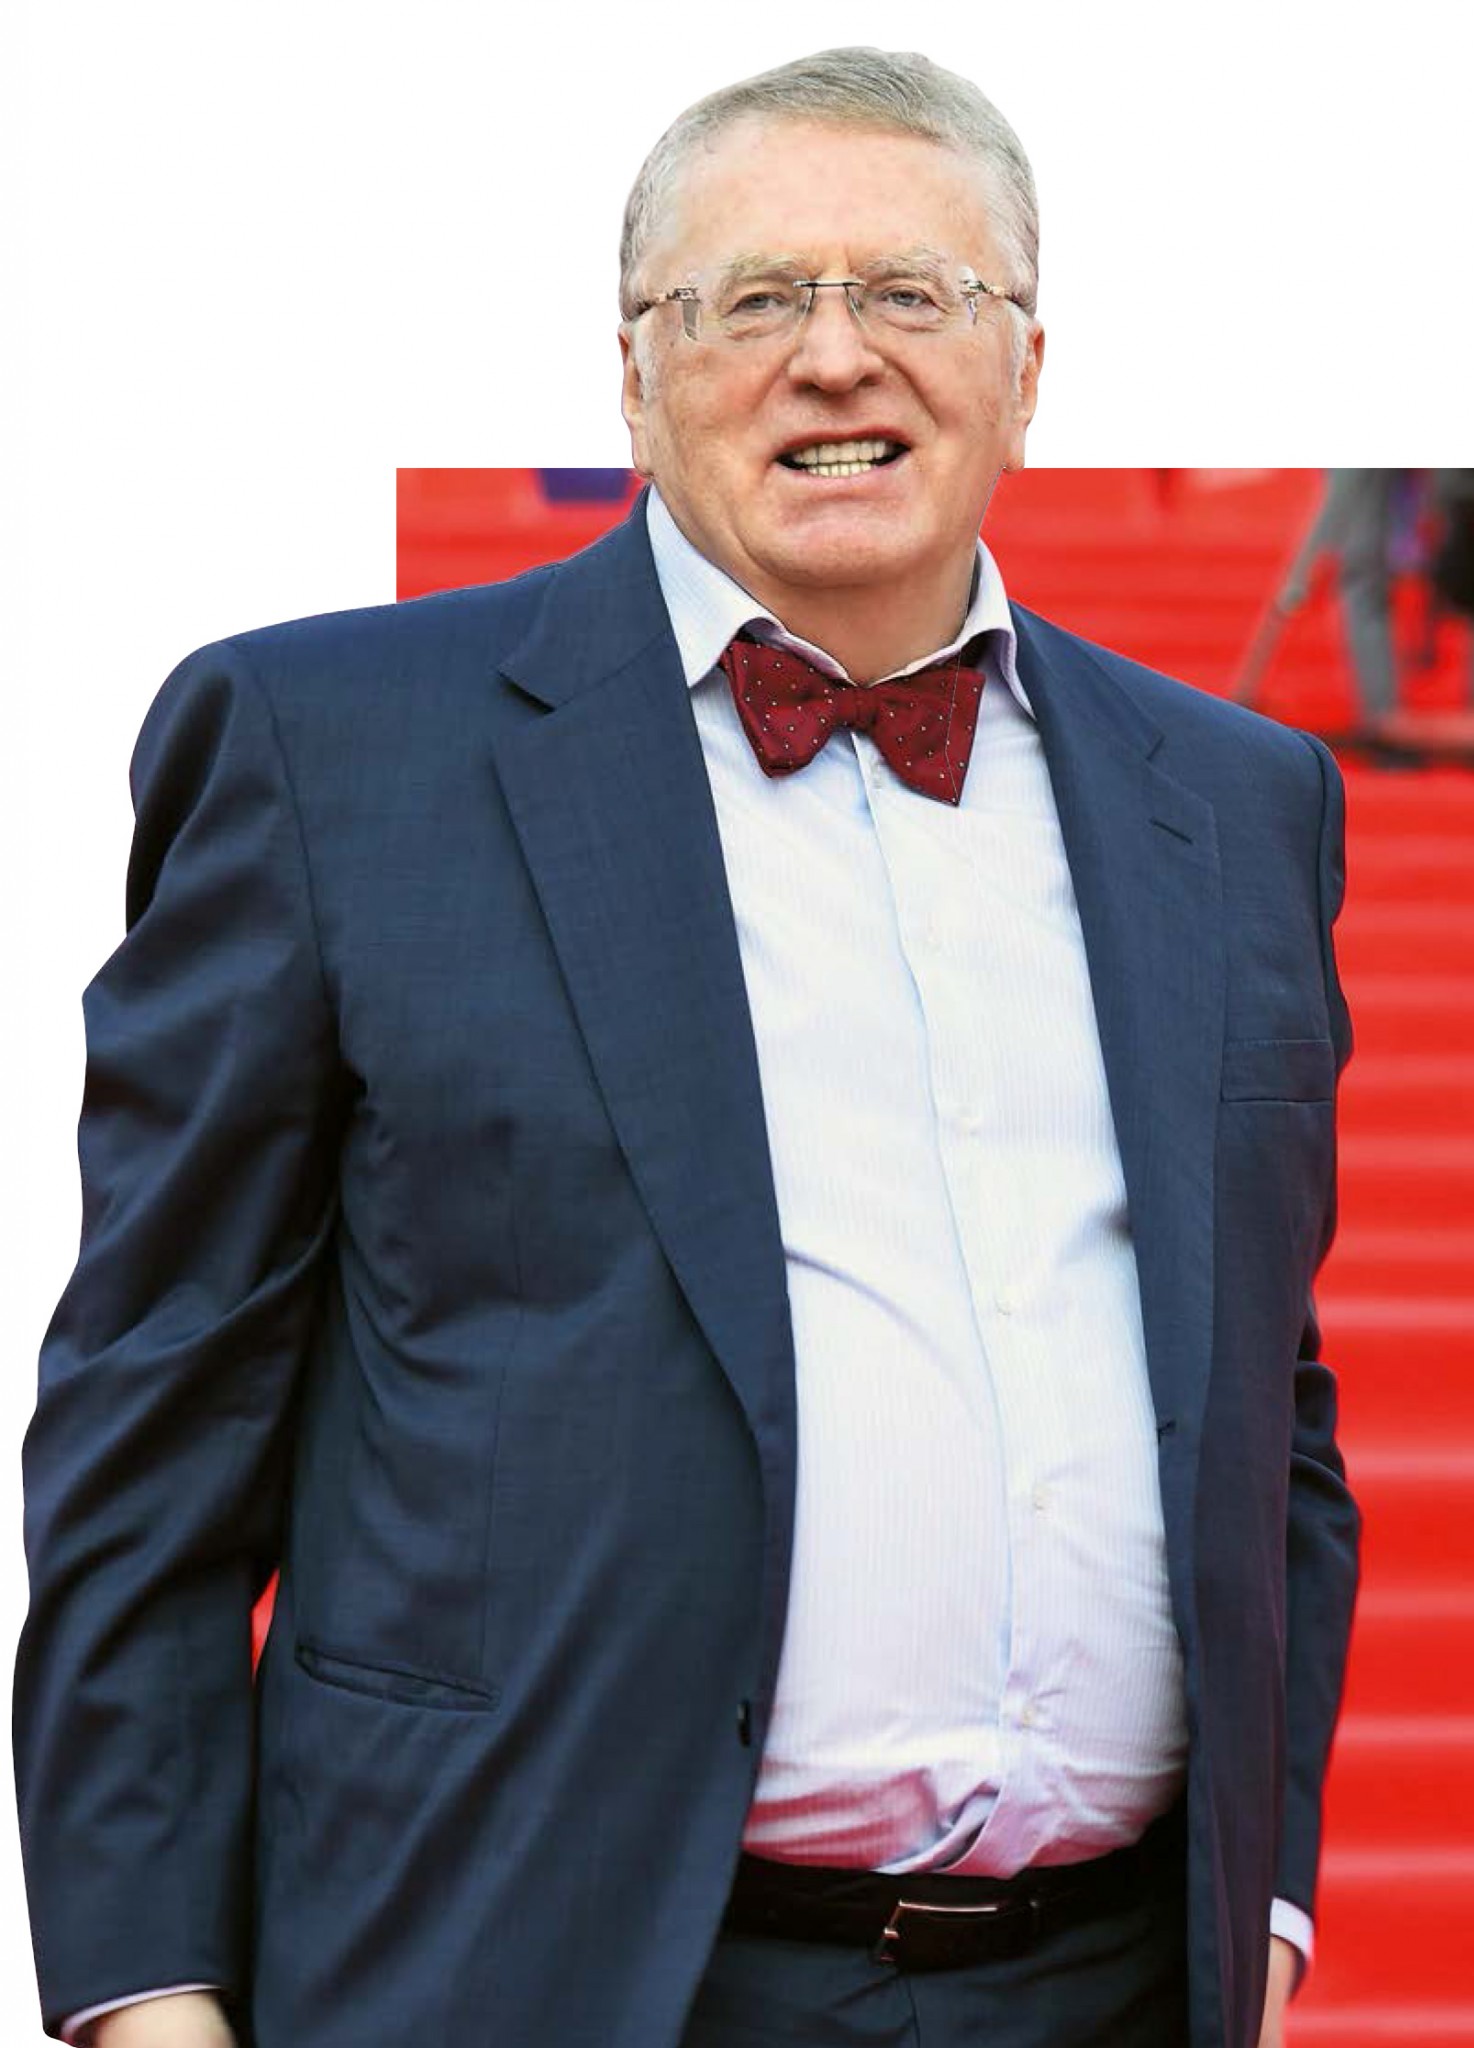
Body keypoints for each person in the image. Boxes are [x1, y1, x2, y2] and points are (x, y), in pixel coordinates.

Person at [12, 47, 1360, 2048]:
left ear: (1026, 369)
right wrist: (147, 1997)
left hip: (1110, 1980)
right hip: (525, 1970)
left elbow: (1271, 1405)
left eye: (911, 293)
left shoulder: (1234, 800)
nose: (835, 355)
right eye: (752, 298)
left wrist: (1265, 1897)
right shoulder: (331, 752)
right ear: (631, 377)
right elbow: (156, 1428)